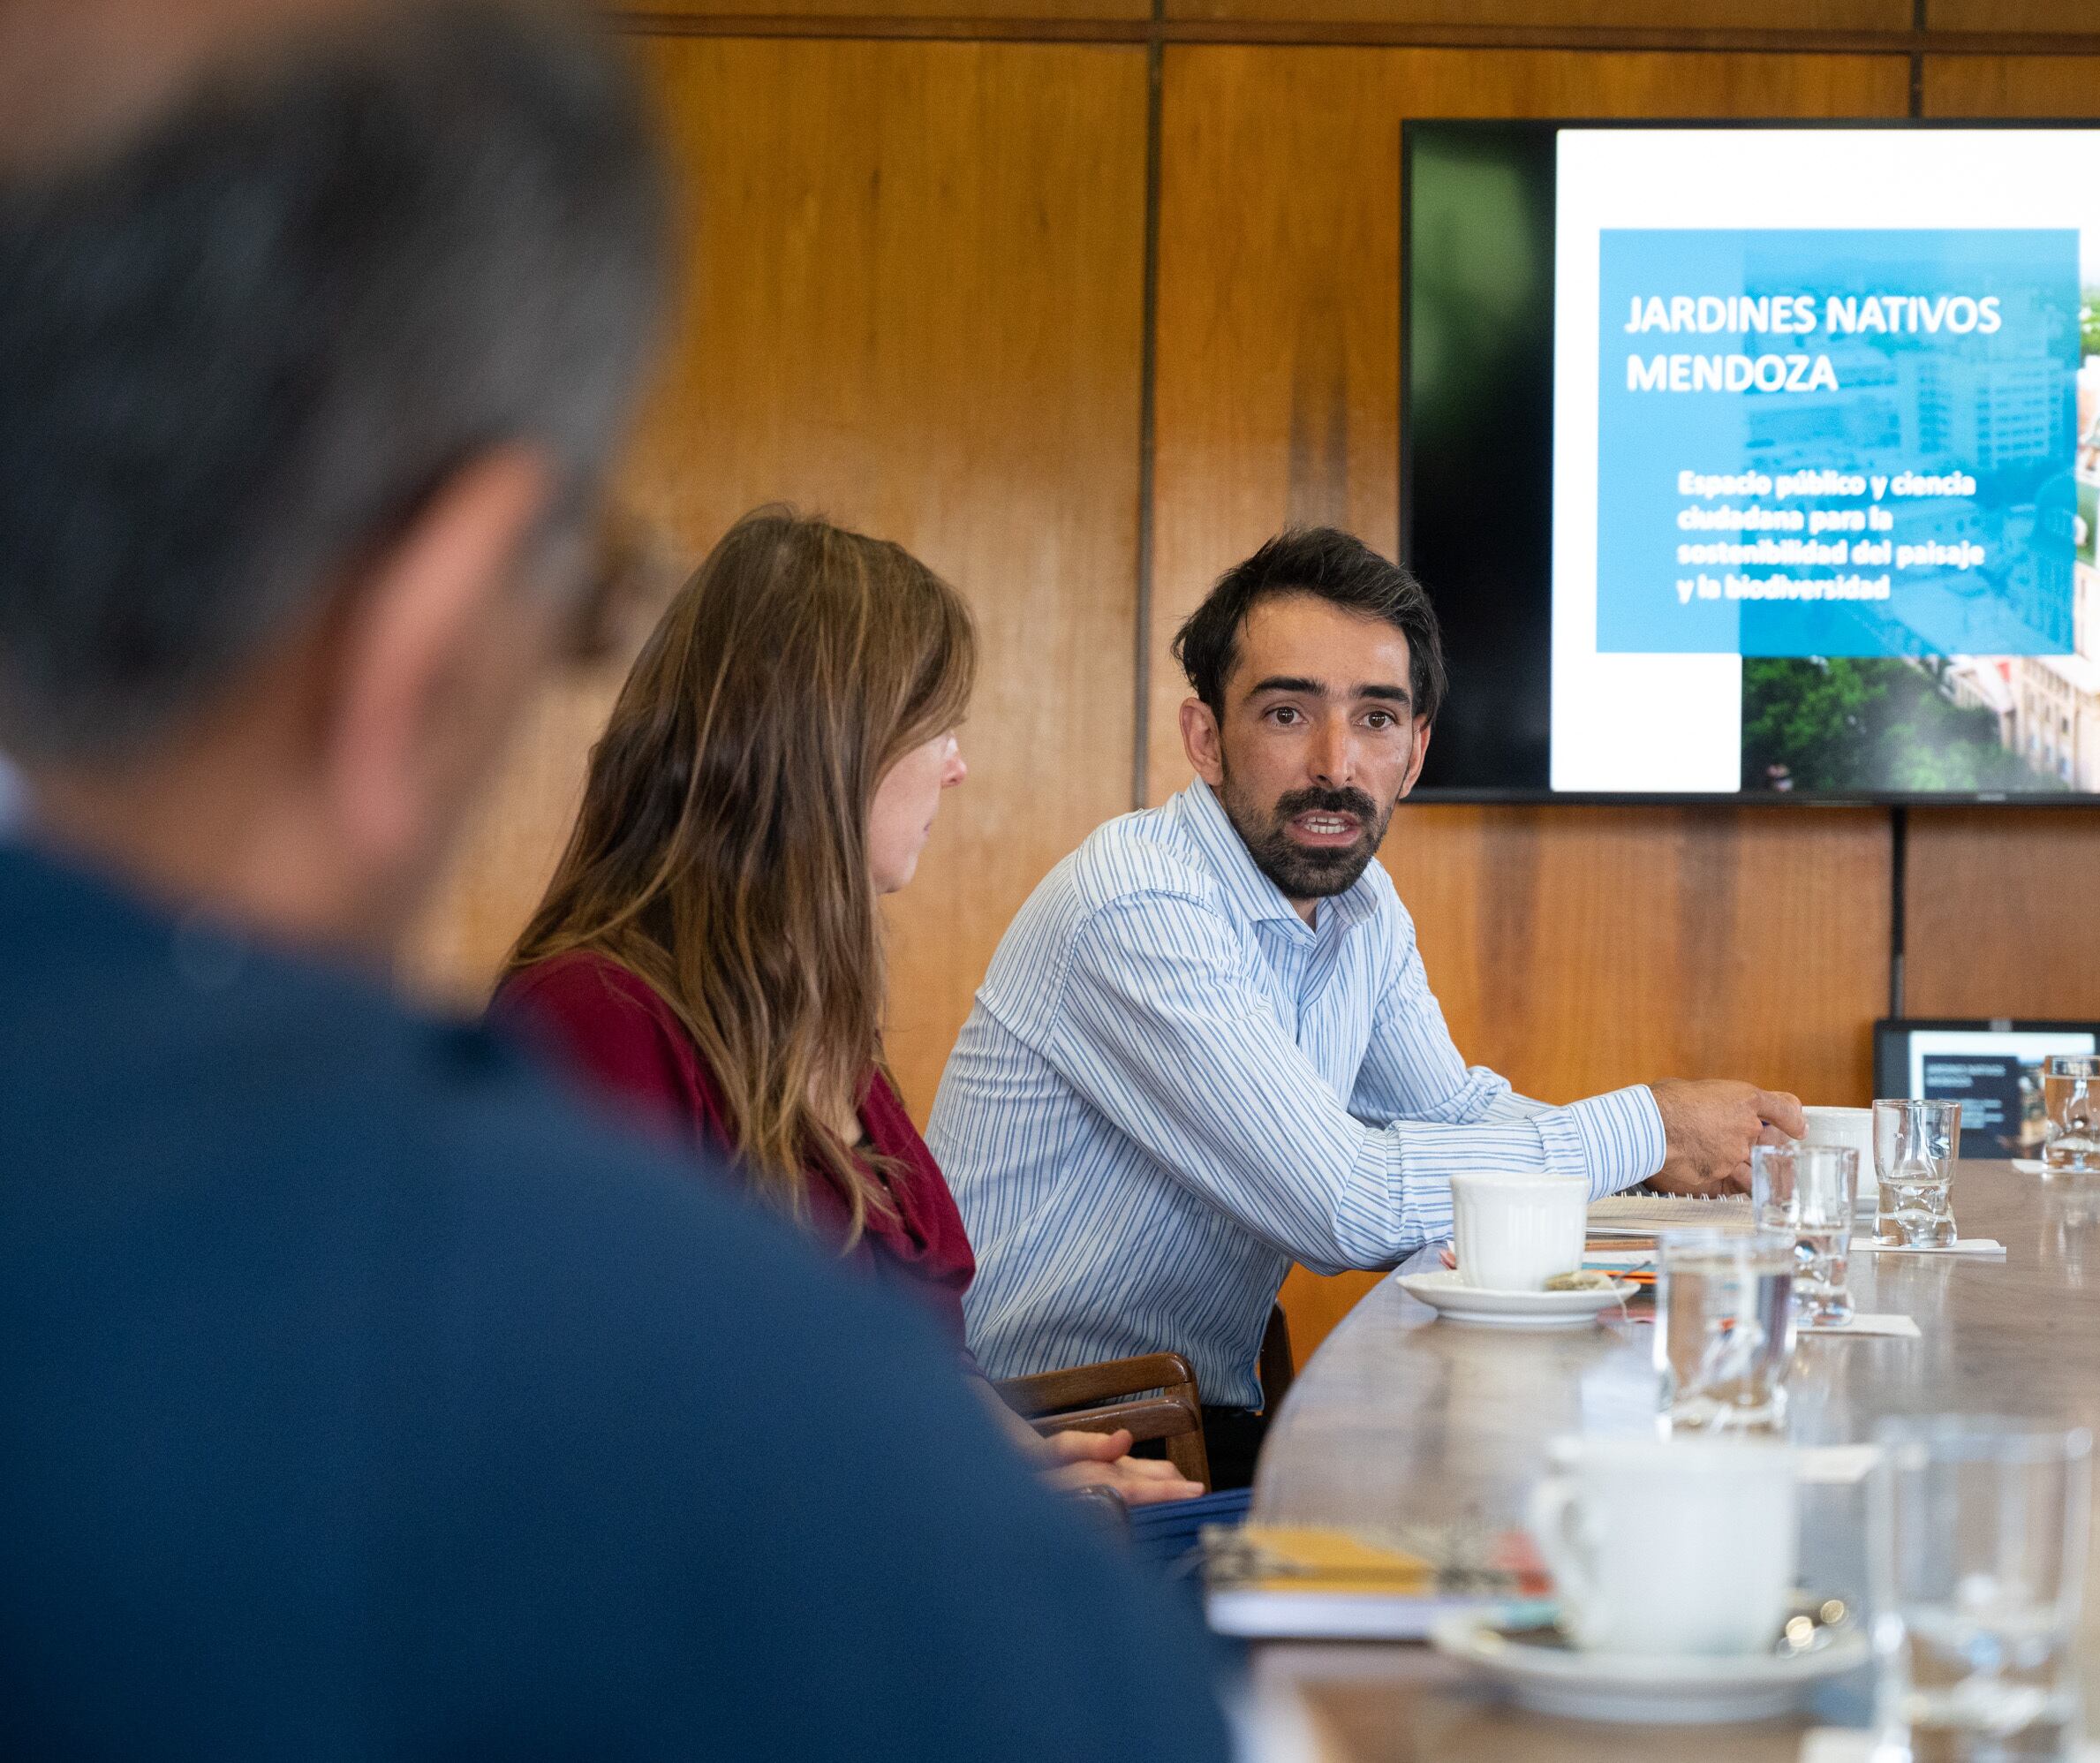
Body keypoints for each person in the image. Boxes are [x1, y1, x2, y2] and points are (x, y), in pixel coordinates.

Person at [0, 3, 1227, 1757]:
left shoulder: (806, 1051)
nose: (962, 764)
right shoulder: (560, 1190)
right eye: (568, 599)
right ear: (424, 630)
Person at [930, 526, 1803, 1487]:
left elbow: (1456, 1115)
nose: (1337, 764)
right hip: (1044, 1452)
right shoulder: (1139, 901)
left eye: (1377, 719)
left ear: (1418, 749)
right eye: (1287, 714)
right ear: (1205, 739)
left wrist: (1684, 1173)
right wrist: (1649, 1126)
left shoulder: (1360, 905)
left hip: (1193, 1419)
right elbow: (1349, 1203)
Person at [492, 506, 1197, 1507]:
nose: (958, 766)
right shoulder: (591, 1019)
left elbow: (899, 1358)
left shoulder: (815, 1030)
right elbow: (625, 1436)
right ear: (829, 742)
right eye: (937, 729)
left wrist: (1003, 1455)